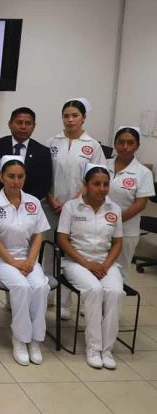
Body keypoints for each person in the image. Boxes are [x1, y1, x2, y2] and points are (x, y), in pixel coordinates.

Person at [0, 156, 51, 366]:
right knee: (21, 287)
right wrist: (13, 262)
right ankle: (20, 339)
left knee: (39, 286)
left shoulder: (33, 202)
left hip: (27, 258)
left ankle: (35, 340)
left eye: (20, 177)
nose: (15, 181)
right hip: (0, 260)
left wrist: (30, 260)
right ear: (1, 177)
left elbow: (38, 235)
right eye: (10, 176)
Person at [0, 107, 52, 312]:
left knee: (33, 281)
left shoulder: (42, 152)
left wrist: (25, 203)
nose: (22, 127)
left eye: (27, 123)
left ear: (33, 126)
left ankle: (20, 308)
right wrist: (2, 200)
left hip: (27, 209)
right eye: (18, 122)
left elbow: (45, 183)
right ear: (10, 123)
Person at [57, 164, 124, 369]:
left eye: (105, 184)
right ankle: (94, 348)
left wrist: (105, 264)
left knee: (115, 292)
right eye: (96, 184)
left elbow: (118, 242)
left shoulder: (114, 209)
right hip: (76, 262)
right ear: (85, 185)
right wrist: (86, 263)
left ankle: (107, 349)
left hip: (105, 262)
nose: (101, 188)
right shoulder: (71, 207)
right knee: (94, 290)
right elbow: (62, 239)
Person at [47, 98, 105, 319]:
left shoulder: (93, 145)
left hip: (79, 207)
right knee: (49, 251)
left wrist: (72, 202)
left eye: (75, 116)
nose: (70, 120)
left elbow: (95, 178)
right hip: (51, 205)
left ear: (83, 118)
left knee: (72, 255)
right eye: (66, 116)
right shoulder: (53, 141)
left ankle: (65, 303)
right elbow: (46, 175)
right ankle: (48, 296)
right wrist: (52, 199)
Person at [106, 126, 154, 280]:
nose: (125, 147)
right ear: (115, 144)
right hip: (98, 228)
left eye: (130, 143)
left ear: (137, 146)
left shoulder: (143, 172)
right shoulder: (103, 165)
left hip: (126, 231)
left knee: (119, 275)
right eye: (121, 142)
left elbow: (140, 204)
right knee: (98, 272)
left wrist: (115, 220)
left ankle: (114, 304)